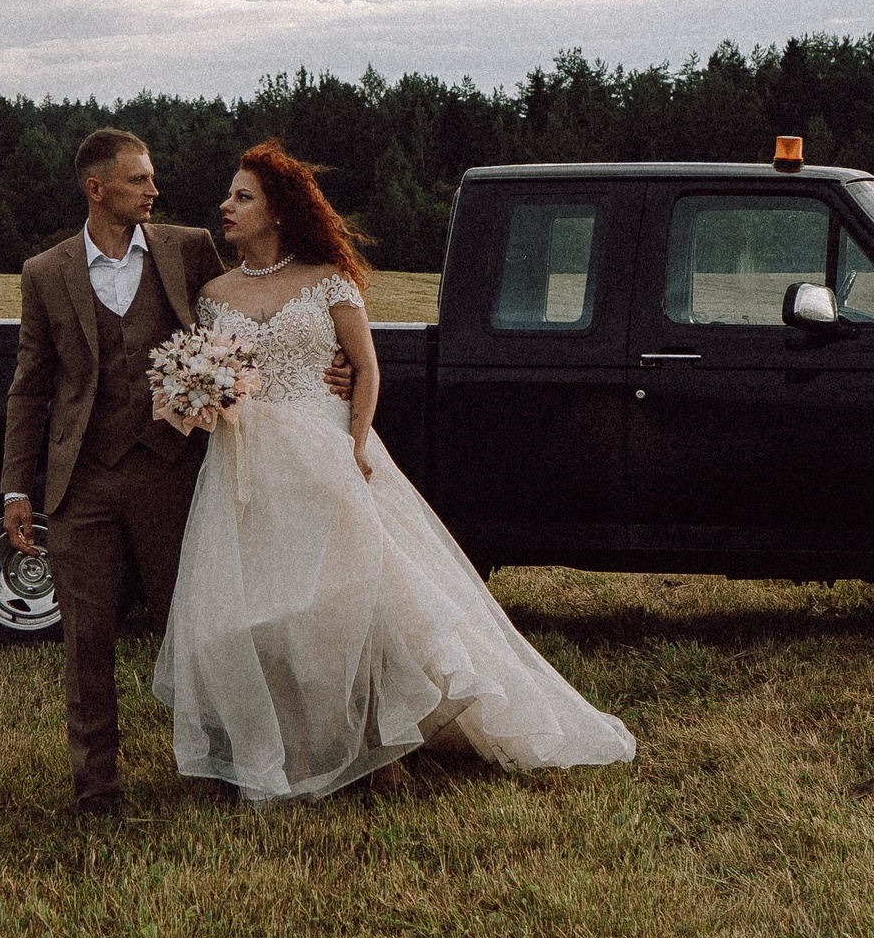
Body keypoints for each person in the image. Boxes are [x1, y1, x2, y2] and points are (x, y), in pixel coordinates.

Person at [153, 140, 636, 805]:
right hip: (246, 460)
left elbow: (367, 366)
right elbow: (219, 374)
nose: (225, 205)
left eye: (243, 195)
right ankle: (294, 745)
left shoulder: (328, 278)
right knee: (267, 603)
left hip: (327, 448)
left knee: (363, 595)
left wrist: (354, 440)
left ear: (279, 210)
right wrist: (199, 395)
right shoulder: (214, 295)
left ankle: (385, 745)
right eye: (230, 194)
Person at [0, 129, 352, 818]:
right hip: (84, 484)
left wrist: (333, 363)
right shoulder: (46, 272)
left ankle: (227, 762)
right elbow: (30, 385)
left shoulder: (188, 249)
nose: (153, 190)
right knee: (87, 640)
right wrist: (17, 486)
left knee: (203, 629)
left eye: (151, 178)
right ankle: (97, 789)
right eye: (137, 181)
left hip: (174, 477)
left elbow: (251, 319)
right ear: (96, 189)